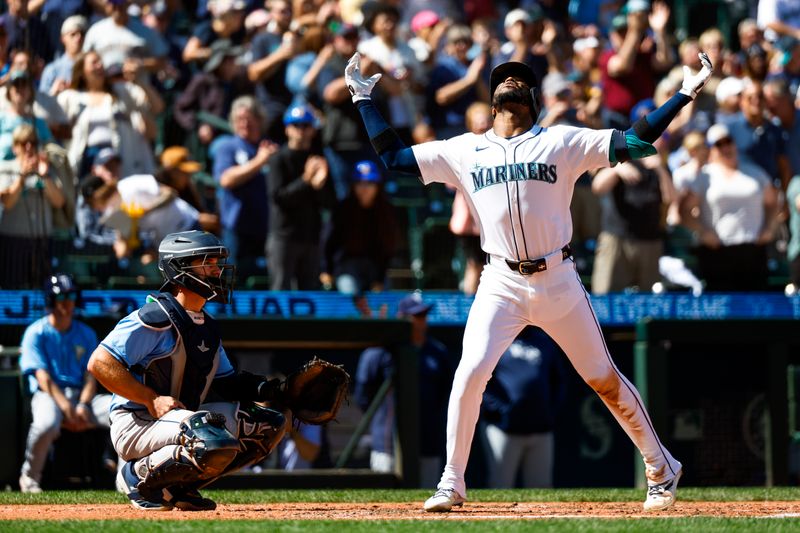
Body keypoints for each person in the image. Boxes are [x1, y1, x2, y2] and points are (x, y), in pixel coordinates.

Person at [345, 47, 714, 511]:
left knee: (603, 377)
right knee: (470, 373)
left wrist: (683, 93)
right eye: (505, 79)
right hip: (499, 281)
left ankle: (662, 467)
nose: (512, 83)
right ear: (493, 98)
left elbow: (635, 143)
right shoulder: (464, 149)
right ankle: (452, 480)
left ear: (532, 98)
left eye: (521, 80)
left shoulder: (561, 141)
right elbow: (396, 158)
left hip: (557, 278)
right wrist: (362, 99)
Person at [87, 230, 289, 511]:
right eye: (208, 263)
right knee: (206, 431)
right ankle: (135, 478)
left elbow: (226, 383)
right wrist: (151, 398)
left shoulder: (206, 325)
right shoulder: (153, 318)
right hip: (136, 422)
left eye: (217, 264)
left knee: (268, 424)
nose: (217, 271)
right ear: (180, 269)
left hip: (180, 421)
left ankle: (179, 487)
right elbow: (99, 363)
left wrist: (275, 390)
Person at [18, 274, 111, 493]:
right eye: (61, 297)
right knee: (46, 425)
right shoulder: (36, 332)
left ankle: (130, 480)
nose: (67, 303)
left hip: (83, 397)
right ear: (50, 300)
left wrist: (81, 405)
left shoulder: (85, 332)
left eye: (71, 296)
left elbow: (92, 375)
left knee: (122, 410)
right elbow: (43, 378)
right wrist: (67, 408)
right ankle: (29, 479)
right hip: (49, 396)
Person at [354, 293, 452, 486]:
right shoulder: (381, 352)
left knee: (430, 497)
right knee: (385, 504)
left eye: (423, 315)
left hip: (427, 440)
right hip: (388, 442)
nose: (421, 321)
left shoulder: (437, 352)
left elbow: (444, 394)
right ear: (402, 318)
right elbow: (363, 396)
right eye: (416, 316)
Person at [678, 123, 781, 292]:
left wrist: (769, 227)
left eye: (728, 142)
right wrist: (702, 232)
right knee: (722, 308)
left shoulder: (755, 172)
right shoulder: (704, 176)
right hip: (717, 251)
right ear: (711, 149)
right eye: (719, 144)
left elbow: (773, 202)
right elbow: (684, 211)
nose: (725, 147)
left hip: (753, 250)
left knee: (755, 305)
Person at [480, 327, 567, 488]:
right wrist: (501, 410)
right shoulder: (494, 337)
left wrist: (549, 412)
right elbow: (480, 380)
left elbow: (558, 380)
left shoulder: (544, 341)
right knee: (500, 487)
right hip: (503, 429)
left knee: (541, 490)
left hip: (541, 430)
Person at [267, 103, 335, 290]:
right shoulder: (278, 159)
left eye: (306, 125)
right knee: (281, 289)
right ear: (287, 129)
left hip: (310, 235)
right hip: (284, 236)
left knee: (310, 291)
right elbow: (279, 197)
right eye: (296, 125)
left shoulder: (317, 159)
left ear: (313, 130)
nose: (301, 131)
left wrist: (319, 184)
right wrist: (306, 181)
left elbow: (328, 201)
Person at [212, 96, 279, 280]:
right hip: (236, 228)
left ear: (259, 120)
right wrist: (259, 161)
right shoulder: (228, 147)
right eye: (240, 119)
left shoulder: (270, 147)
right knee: (232, 281)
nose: (245, 124)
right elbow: (226, 180)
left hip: (267, 227)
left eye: (249, 119)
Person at [0, 124, 64, 288]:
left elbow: (59, 201)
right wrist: (22, 177)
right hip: (14, 241)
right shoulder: (6, 168)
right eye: (23, 143)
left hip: (42, 240)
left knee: (42, 289)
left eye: (33, 143)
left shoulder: (46, 170)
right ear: (15, 148)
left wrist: (45, 176)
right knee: (12, 288)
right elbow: (7, 203)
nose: (29, 147)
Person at [320, 160, 398, 295]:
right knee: (349, 292)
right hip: (346, 265)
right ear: (353, 186)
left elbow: (387, 248)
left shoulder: (385, 211)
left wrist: (379, 279)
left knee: (383, 298)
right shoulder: (342, 209)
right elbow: (328, 242)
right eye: (360, 183)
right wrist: (327, 270)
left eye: (370, 184)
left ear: (377, 186)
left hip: (375, 267)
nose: (364, 188)